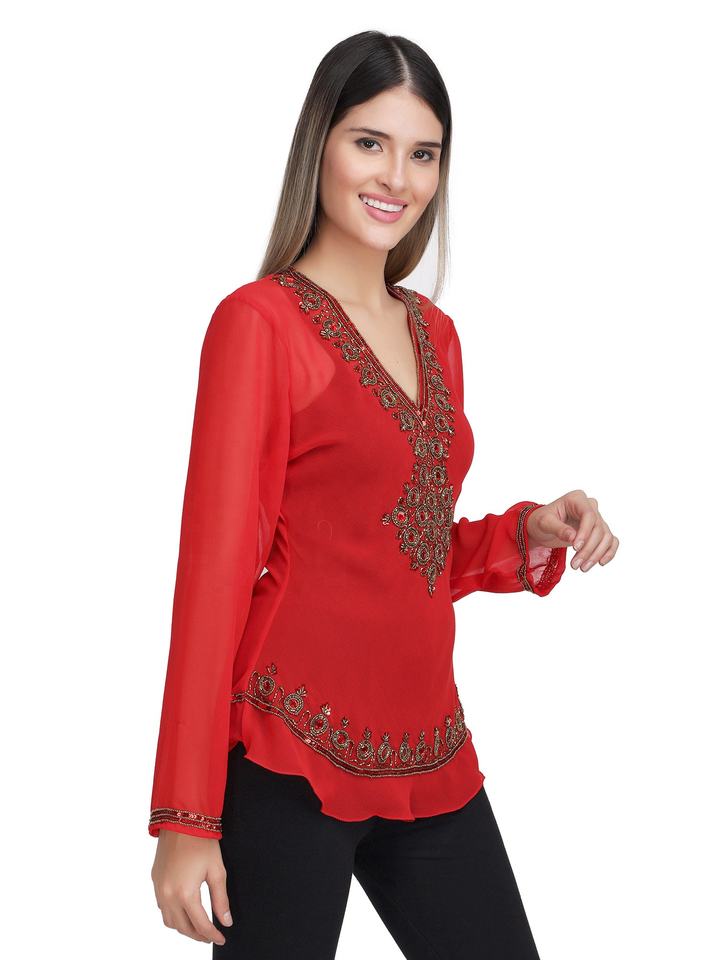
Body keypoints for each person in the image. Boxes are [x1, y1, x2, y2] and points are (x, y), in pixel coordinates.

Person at [148, 30, 619, 959]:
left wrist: (526, 530)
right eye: (370, 142)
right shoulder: (260, 324)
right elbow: (213, 578)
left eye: (423, 153)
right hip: (287, 753)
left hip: (429, 758)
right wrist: (185, 816)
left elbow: (406, 548)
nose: (396, 177)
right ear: (319, 143)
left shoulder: (435, 334)